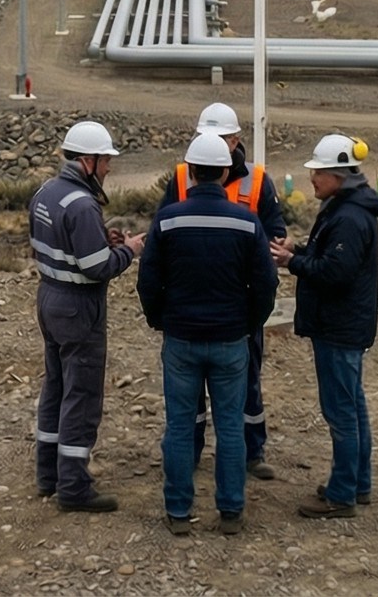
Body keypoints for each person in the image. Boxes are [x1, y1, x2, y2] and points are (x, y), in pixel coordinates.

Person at [137, 131, 277, 536]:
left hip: (181, 339)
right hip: (232, 340)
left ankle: (178, 512)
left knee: (180, 427)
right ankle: (231, 510)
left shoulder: (168, 220)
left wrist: (159, 319)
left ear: (192, 172)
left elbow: (148, 280)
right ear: (225, 171)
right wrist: (250, 322)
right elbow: (266, 285)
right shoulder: (248, 223)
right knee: (231, 427)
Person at [159, 101, 288, 480]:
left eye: (220, 139)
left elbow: (275, 232)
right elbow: (161, 235)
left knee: (246, 383)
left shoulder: (258, 181)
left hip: (238, 305)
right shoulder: (182, 177)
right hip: (193, 302)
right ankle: (193, 451)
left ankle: (253, 450)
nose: (214, 145)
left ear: (236, 140)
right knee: (190, 393)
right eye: (206, 138)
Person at [269, 133, 378, 518]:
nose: (312, 179)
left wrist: (293, 263)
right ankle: (357, 483)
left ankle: (342, 494)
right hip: (344, 325)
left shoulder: (349, 218)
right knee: (352, 406)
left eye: (318, 172)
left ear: (338, 174)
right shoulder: (347, 209)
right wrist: (298, 253)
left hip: (338, 327)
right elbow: (331, 261)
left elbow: (335, 273)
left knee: (341, 411)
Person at [30, 119, 145, 512]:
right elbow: (98, 267)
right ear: (88, 161)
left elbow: (62, 245)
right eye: (106, 160)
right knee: (81, 396)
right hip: (79, 307)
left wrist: (103, 240)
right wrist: (128, 250)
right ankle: (74, 488)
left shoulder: (47, 192)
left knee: (55, 388)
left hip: (49, 298)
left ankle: (48, 475)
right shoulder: (82, 204)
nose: (109, 168)